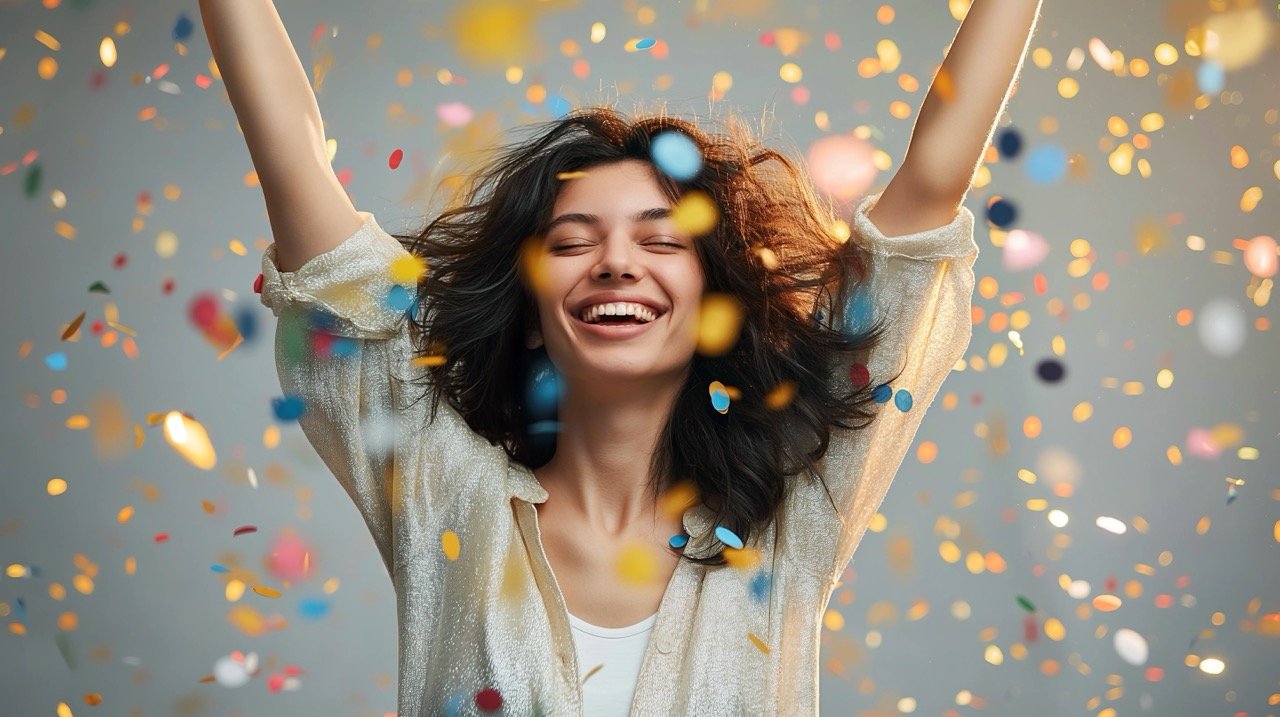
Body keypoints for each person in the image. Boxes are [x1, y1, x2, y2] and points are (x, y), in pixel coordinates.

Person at [199, 1, 1043, 714]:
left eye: (659, 241)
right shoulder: (442, 492)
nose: (615, 262)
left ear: (714, 303)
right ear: (531, 315)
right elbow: (296, 163)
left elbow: (932, 183)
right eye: (572, 241)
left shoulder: (794, 505)